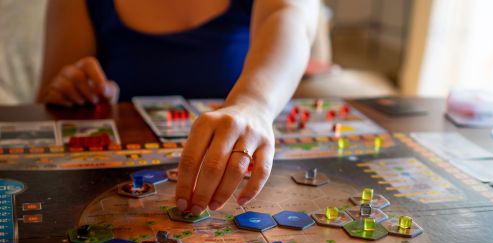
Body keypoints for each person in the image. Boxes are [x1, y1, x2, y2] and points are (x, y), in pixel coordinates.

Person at [38, 0, 320, 215]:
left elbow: (291, 18)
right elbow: (49, 95)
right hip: (111, 189)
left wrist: (253, 104)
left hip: (243, 172)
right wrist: (74, 89)